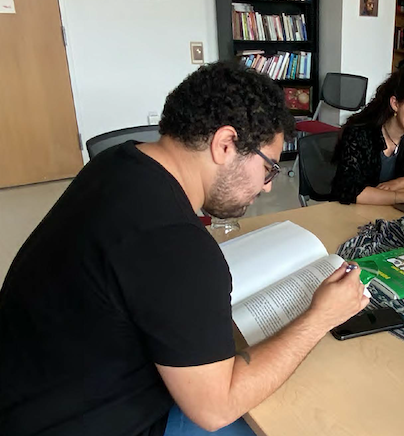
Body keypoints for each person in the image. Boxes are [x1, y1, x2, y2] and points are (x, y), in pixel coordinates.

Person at [0, 62, 369, 436]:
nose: (268, 187)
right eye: (269, 168)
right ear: (225, 144)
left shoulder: (119, 161)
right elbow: (216, 408)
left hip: (29, 397)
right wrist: (320, 317)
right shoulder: (175, 244)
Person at [331, 62, 404, 205]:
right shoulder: (359, 132)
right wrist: (400, 197)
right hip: (350, 215)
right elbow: (347, 190)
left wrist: (399, 183)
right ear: (395, 103)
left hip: (391, 215)